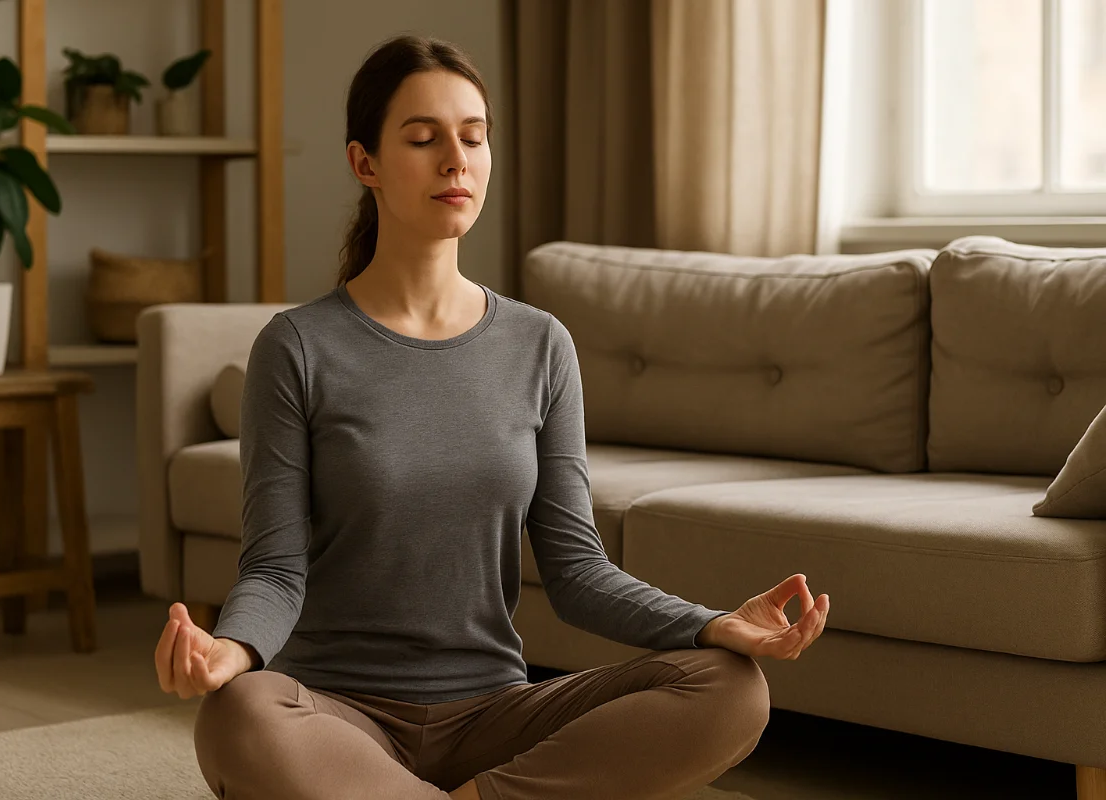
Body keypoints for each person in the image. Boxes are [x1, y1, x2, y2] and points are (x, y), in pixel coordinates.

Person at [153, 33, 831, 800]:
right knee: (238, 714)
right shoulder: (299, 346)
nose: (456, 160)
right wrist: (234, 650)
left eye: (473, 137)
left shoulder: (540, 344)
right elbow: (275, 570)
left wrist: (713, 624)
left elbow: (578, 574)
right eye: (424, 138)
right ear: (364, 163)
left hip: (495, 718)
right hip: (337, 718)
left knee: (732, 688)